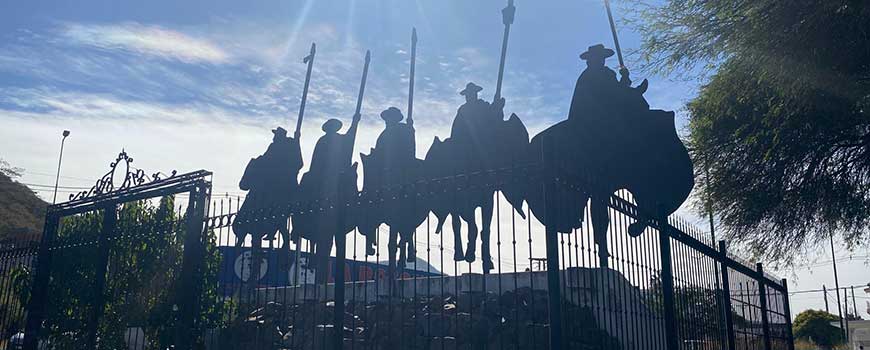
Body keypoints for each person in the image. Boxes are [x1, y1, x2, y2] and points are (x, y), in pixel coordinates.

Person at [233, 126, 302, 250]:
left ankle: (291, 233)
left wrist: (297, 140)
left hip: (282, 184)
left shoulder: (289, 145)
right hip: (270, 182)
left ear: (281, 136)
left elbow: (297, 163)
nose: (274, 137)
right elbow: (266, 159)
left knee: (283, 210)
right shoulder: (274, 146)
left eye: (276, 135)